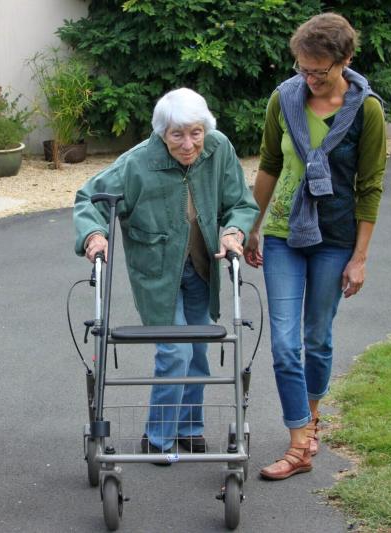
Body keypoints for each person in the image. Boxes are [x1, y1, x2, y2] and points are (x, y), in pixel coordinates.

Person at [74, 88, 259, 461]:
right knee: (175, 351)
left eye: (195, 132)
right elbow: (88, 198)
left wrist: (233, 231)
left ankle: (190, 428)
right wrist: (94, 234)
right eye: (177, 134)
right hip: (157, 274)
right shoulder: (137, 163)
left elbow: (240, 202)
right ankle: (157, 437)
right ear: (161, 132)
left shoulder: (218, 149)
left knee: (200, 351)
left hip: (203, 267)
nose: (189, 143)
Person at [244, 13, 387, 480]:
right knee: (285, 345)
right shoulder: (284, 99)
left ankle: (311, 416)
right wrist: (252, 225)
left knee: (316, 339)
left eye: (318, 71)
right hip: (285, 232)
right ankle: (300, 441)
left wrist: (360, 258)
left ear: (345, 60)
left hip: (336, 239)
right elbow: (268, 163)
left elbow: (370, 187)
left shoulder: (366, 111)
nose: (307, 78)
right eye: (302, 68)